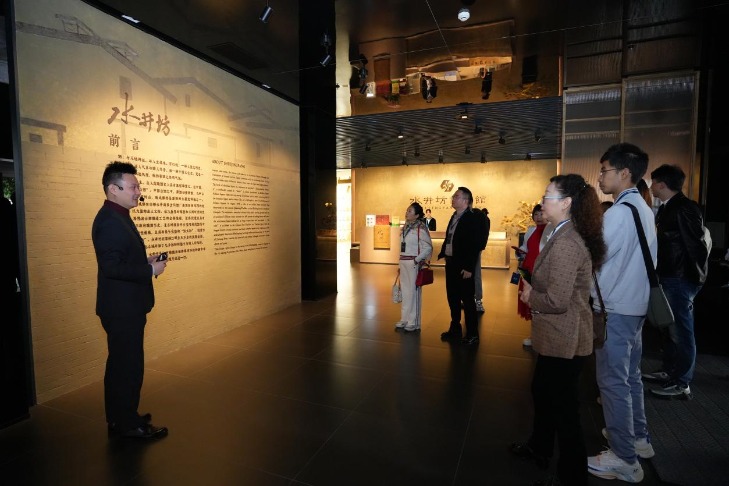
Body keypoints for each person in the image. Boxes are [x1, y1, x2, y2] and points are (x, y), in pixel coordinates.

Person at [510, 174, 606, 486]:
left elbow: (557, 299)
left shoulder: (567, 242)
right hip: (558, 335)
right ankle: (539, 447)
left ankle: (572, 475)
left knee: (565, 409)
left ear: (566, 203)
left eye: (547, 195)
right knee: (542, 391)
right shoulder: (561, 232)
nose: (542, 201)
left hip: (565, 337)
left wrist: (530, 296)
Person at [588, 143, 656, 483]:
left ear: (624, 173)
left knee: (612, 383)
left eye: (604, 171)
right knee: (630, 377)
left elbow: (596, 259)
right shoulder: (642, 208)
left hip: (615, 308)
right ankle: (638, 439)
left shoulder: (618, 214)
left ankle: (624, 458)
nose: (600, 177)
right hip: (635, 306)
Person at [92, 161, 169, 440]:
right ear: (113, 189)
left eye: (138, 186)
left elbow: (120, 260)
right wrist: (149, 270)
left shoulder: (118, 216)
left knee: (122, 365)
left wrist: (144, 261)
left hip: (126, 307)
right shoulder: (109, 221)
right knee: (127, 366)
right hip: (122, 310)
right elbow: (111, 268)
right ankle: (127, 424)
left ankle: (122, 417)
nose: (139, 191)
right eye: (134, 186)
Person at [642, 164, 710, 399]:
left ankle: (682, 383)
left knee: (681, 331)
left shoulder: (684, 208)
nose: (651, 187)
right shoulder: (669, 207)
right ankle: (670, 371)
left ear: (662, 184)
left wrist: (695, 279)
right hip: (671, 276)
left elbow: (696, 246)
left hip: (680, 278)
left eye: (653, 182)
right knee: (670, 328)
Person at [438, 187, 485, 345]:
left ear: (466, 200)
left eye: (456, 196)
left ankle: (472, 334)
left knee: (467, 300)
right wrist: (444, 253)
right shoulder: (454, 216)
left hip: (463, 266)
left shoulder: (471, 218)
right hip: (451, 263)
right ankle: (455, 328)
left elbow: (474, 245)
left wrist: (469, 267)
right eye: (453, 196)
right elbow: (450, 238)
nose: (453, 198)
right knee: (453, 297)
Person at [395, 202, 433, 332]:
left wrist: (416, 260)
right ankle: (404, 318)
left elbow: (428, 247)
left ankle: (414, 321)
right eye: (407, 210)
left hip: (413, 263)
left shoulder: (420, 228)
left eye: (410, 211)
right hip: (403, 262)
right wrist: (399, 263)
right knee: (405, 291)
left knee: (413, 292)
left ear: (417, 215)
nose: (407, 213)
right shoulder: (405, 227)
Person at [517, 204, 549, 347]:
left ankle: (543, 335)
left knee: (541, 302)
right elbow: (525, 247)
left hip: (542, 270)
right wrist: (520, 252)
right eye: (536, 214)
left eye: (541, 214)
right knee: (530, 302)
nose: (539, 217)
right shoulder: (531, 230)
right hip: (528, 269)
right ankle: (534, 335)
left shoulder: (552, 230)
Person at [473, 207, 490, 313]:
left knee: (476, 275)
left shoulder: (480, 217)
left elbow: (485, 234)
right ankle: (469, 298)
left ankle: (478, 300)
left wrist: (480, 247)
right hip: (466, 251)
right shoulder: (460, 216)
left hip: (475, 250)